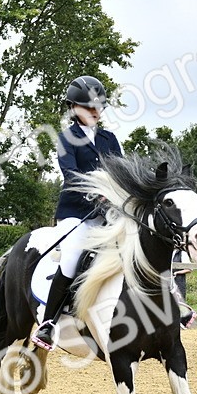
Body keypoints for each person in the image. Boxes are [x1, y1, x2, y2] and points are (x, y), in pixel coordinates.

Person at [31, 75, 122, 350]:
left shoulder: (109, 139)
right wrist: (97, 194)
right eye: (88, 106)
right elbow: (71, 174)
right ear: (73, 108)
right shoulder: (66, 138)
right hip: (76, 213)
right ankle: (48, 324)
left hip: (109, 215)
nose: (95, 111)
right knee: (72, 256)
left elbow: (121, 172)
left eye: (99, 106)